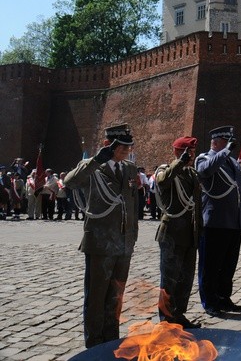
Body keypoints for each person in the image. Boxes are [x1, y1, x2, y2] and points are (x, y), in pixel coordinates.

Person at [64, 124, 139, 348]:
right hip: (100, 242)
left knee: (116, 295)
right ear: (108, 145)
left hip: (124, 242)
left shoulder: (129, 170)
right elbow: (70, 182)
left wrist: (132, 237)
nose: (126, 149)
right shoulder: (93, 168)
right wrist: (96, 160)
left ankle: (110, 339)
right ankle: (94, 342)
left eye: (128, 146)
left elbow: (132, 205)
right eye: (121, 146)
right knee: (96, 296)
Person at [195, 126, 241, 315]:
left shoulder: (232, 162)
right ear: (216, 142)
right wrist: (225, 152)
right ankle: (209, 301)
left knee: (228, 264)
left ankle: (224, 297)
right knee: (210, 265)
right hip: (215, 221)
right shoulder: (204, 158)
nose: (230, 145)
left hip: (233, 221)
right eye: (226, 142)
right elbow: (205, 171)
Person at [154, 136, 203, 329]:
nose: (191, 156)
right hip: (172, 234)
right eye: (187, 152)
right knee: (169, 280)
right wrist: (178, 163)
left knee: (186, 279)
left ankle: (179, 314)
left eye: (192, 152)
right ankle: (166, 319)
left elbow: (196, 204)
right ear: (177, 152)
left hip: (189, 233)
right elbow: (162, 182)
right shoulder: (166, 170)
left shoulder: (191, 174)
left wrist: (200, 230)